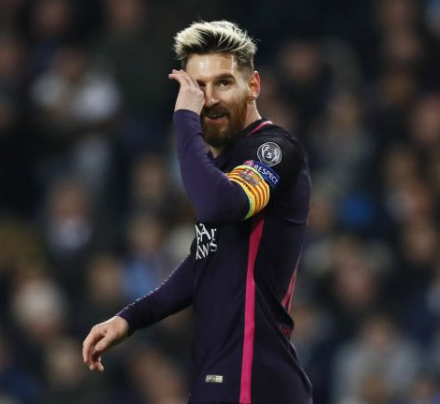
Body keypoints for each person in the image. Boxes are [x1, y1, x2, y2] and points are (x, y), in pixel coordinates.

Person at [82, 20, 313, 404]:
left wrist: (185, 119)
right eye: (198, 87)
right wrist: (129, 319)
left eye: (223, 83)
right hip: (219, 376)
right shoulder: (221, 170)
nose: (210, 99)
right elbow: (199, 267)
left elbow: (221, 204)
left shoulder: (274, 151)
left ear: (253, 85)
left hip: (254, 380)